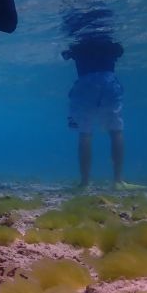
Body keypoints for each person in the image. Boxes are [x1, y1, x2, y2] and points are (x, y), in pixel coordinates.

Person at [62, 35, 126, 187]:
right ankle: (118, 180)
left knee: (85, 133)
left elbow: (65, 55)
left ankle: (84, 182)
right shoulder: (109, 41)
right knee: (115, 131)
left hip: (85, 83)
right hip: (108, 81)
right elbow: (120, 51)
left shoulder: (78, 43)